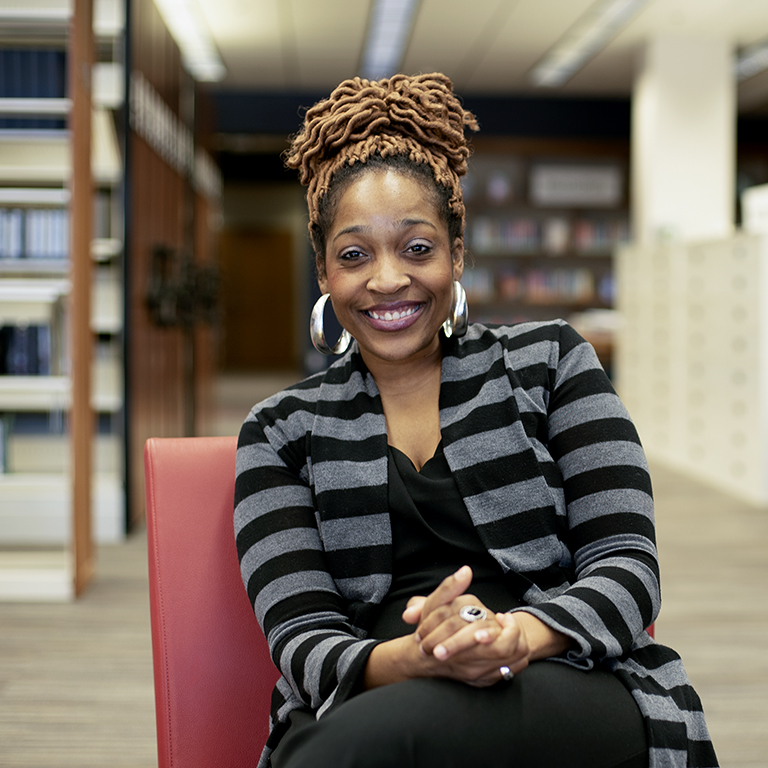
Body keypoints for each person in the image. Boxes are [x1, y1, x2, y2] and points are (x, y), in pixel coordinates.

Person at [234, 73, 718, 768]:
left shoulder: (551, 361)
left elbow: (628, 570)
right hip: (373, 686)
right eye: (354, 255)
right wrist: (417, 656)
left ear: (457, 255)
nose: (388, 279)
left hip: (562, 677)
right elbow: (302, 633)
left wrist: (515, 634)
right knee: (347, 744)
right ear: (324, 273)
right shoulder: (280, 431)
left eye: (417, 247)